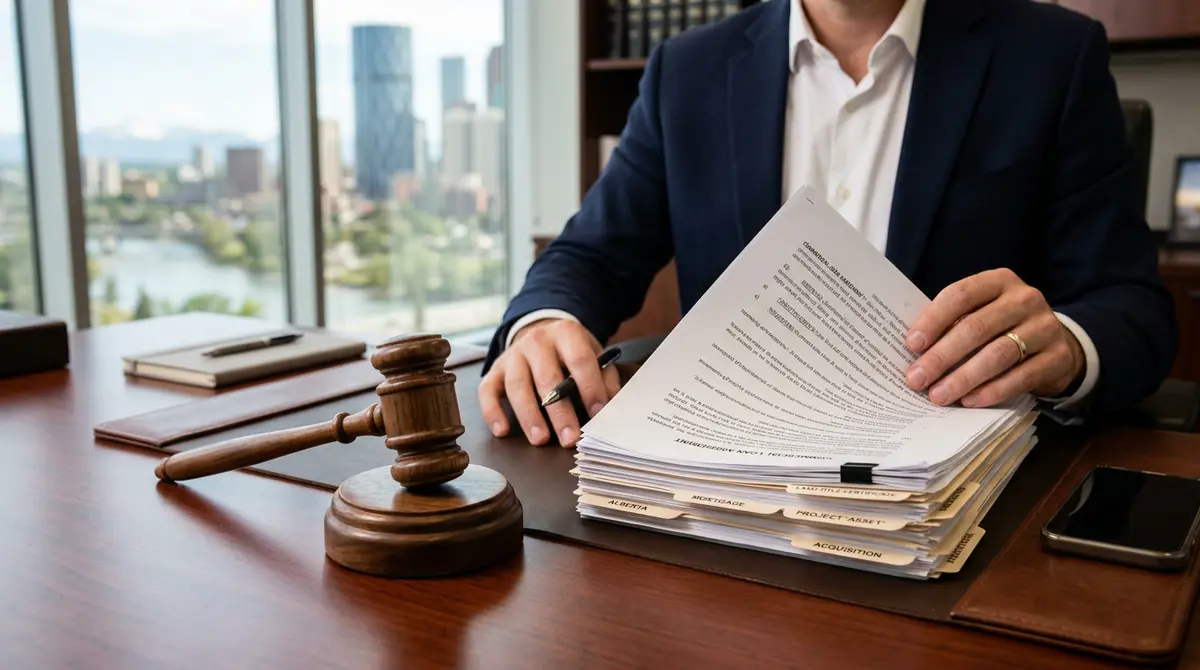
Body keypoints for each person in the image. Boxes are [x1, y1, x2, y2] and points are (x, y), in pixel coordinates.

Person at [478, 0, 1178, 448]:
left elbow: (1131, 307)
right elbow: (590, 255)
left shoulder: (1051, 57)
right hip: (727, 479)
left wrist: (1067, 347)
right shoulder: (686, 71)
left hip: (959, 497)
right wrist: (543, 324)